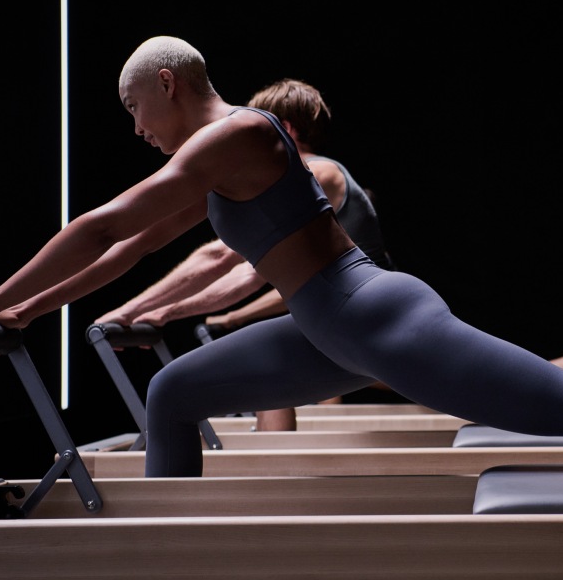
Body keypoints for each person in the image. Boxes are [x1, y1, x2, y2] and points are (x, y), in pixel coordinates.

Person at [0, 36, 563, 477]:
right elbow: (129, 247)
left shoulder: (239, 137)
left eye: (134, 109)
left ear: (169, 86)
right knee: (176, 394)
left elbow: (102, 226)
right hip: (322, 332)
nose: (134, 128)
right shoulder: (214, 163)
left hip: (372, 314)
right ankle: (158, 568)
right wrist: (28, 312)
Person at [94, 78, 396, 430]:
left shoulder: (321, 173)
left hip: (364, 320)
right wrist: (164, 311)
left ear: (283, 129)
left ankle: (276, 467)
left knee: (258, 378)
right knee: (270, 380)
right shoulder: (294, 205)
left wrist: (140, 308)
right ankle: (278, 468)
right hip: (340, 324)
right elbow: (249, 274)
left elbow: (223, 259)